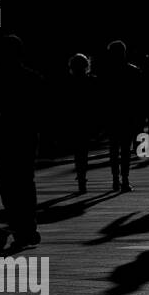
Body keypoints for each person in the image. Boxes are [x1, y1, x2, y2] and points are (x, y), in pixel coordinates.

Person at [0, 34, 45, 248]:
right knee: (26, 182)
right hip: (26, 136)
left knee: (8, 184)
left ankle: (17, 225)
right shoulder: (33, 78)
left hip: (3, 136)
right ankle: (28, 227)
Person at [98, 40, 143, 191]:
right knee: (125, 150)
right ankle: (125, 178)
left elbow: (102, 97)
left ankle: (115, 178)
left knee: (113, 149)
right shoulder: (133, 71)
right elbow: (138, 96)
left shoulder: (105, 73)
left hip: (112, 115)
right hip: (127, 115)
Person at [63, 53, 96, 193]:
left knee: (78, 151)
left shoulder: (68, 83)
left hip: (74, 120)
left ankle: (81, 175)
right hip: (86, 120)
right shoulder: (92, 81)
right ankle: (82, 176)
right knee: (84, 151)